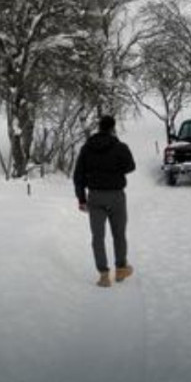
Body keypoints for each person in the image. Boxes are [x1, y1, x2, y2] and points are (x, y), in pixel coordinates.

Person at [73, 115, 136, 287]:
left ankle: (103, 275)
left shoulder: (87, 148)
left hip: (95, 197)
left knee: (98, 237)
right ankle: (121, 269)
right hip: (116, 196)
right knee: (119, 234)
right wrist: (116, 168)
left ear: (98, 127)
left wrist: (81, 198)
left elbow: (78, 175)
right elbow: (131, 166)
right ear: (113, 128)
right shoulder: (120, 147)